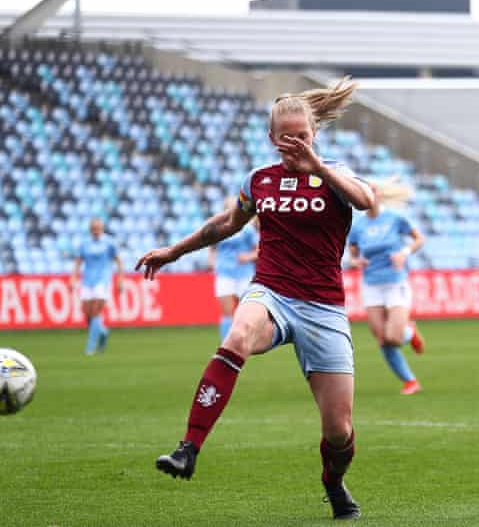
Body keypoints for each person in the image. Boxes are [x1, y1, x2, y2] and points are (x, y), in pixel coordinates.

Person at [136, 77, 375, 520]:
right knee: (237, 335)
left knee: (339, 431)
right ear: (272, 138)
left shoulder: (337, 174)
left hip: (323, 308)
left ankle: (334, 481)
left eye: (302, 136)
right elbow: (226, 224)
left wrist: (318, 167)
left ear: (314, 135)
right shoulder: (260, 181)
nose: (295, 144)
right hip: (272, 291)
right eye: (286, 138)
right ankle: (188, 448)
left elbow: (365, 200)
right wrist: (174, 251)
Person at [347, 179, 426, 395]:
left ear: (378, 196)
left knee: (394, 337)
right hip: (371, 284)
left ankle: (410, 332)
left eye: (372, 192)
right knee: (383, 340)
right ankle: (410, 381)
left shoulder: (395, 218)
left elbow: (419, 239)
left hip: (395, 281)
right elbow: (353, 254)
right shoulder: (358, 226)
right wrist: (356, 262)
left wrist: (404, 253)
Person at [207, 197, 258, 341]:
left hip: (245, 273)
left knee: (247, 311)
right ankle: (226, 345)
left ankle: (247, 341)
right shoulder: (218, 228)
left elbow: (258, 250)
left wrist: (247, 257)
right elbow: (212, 248)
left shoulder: (247, 229)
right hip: (225, 272)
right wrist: (211, 261)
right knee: (227, 312)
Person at [71, 218, 123, 355]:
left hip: (103, 280)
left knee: (96, 311)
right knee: (87, 313)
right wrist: (73, 278)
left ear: (102, 228)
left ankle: (90, 347)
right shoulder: (84, 244)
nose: (95, 231)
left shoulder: (109, 242)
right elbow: (78, 262)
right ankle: (103, 332)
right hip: (87, 280)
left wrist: (120, 279)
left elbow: (118, 261)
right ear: (90, 229)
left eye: (98, 228)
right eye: (93, 229)